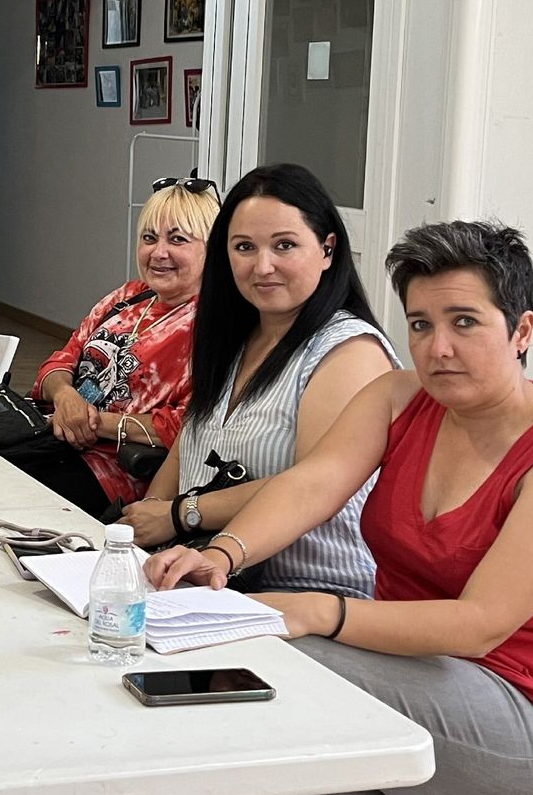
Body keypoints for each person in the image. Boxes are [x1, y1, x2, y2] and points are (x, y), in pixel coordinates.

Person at [132, 221, 533, 795]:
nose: (438, 348)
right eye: (421, 325)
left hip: (525, 735)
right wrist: (221, 554)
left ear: (521, 331)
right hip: (401, 687)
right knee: (237, 788)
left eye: (464, 322)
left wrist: (316, 609)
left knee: (282, 654)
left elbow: (479, 625)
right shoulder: (399, 398)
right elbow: (311, 484)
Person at [115, 163, 397, 599]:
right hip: (203, 573)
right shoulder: (235, 335)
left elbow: (314, 486)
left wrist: (180, 514)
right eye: (244, 247)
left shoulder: (348, 352)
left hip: (308, 592)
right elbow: (191, 440)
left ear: (327, 249)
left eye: (285, 245)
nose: (262, 266)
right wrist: (145, 521)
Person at [22, 178, 219, 515]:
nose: (158, 253)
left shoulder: (214, 328)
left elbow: (186, 427)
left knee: (7, 492)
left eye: (178, 240)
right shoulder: (128, 297)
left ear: (212, 249)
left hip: (113, 472)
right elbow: (61, 360)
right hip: (53, 436)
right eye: (149, 238)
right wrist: (67, 398)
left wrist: (92, 422)